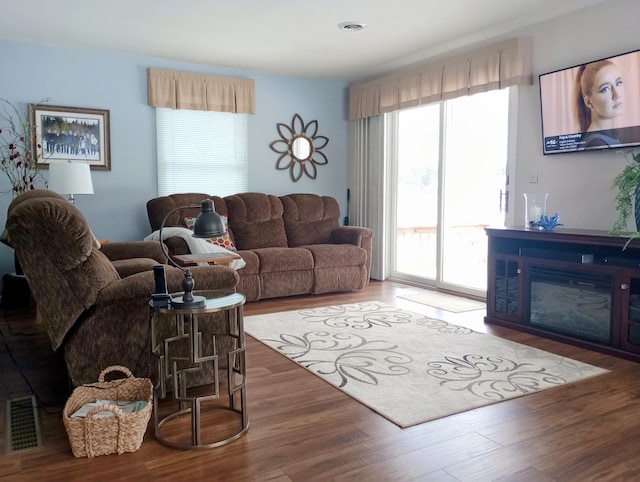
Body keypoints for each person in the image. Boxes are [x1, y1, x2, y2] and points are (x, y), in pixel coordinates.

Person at [573, 60, 625, 147]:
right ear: (589, 102)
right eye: (605, 89)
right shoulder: (596, 143)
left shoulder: (609, 137)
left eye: (618, 83)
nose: (617, 95)